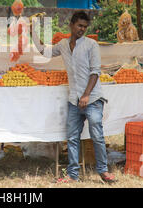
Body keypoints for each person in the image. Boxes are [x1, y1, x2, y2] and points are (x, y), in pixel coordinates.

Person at [30, 10, 116, 184]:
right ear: (71, 24)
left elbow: (95, 72)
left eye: (85, 27)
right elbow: (44, 52)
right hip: (74, 100)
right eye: (79, 25)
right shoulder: (62, 44)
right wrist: (32, 30)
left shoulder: (91, 45)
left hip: (92, 99)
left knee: (97, 134)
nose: (82, 29)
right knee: (72, 137)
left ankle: (103, 171)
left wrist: (86, 95)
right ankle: (73, 175)